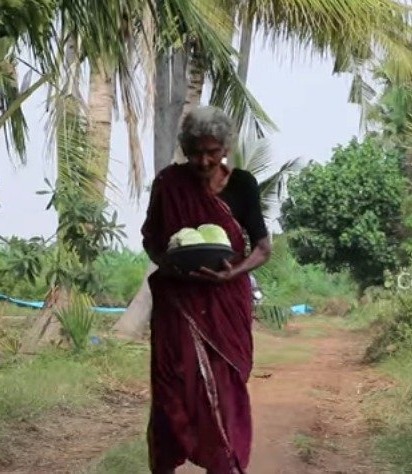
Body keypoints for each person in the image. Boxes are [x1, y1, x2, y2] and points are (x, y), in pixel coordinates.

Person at [142, 106, 272, 473]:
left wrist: (233, 274)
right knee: (173, 388)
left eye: (212, 151)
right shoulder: (169, 184)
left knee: (225, 387)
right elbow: (150, 239)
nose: (203, 160)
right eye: (196, 151)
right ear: (185, 148)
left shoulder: (243, 185)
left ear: (226, 148)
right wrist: (170, 263)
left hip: (224, 301)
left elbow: (262, 249)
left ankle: (225, 464)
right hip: (177, 301)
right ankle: (166, 462)